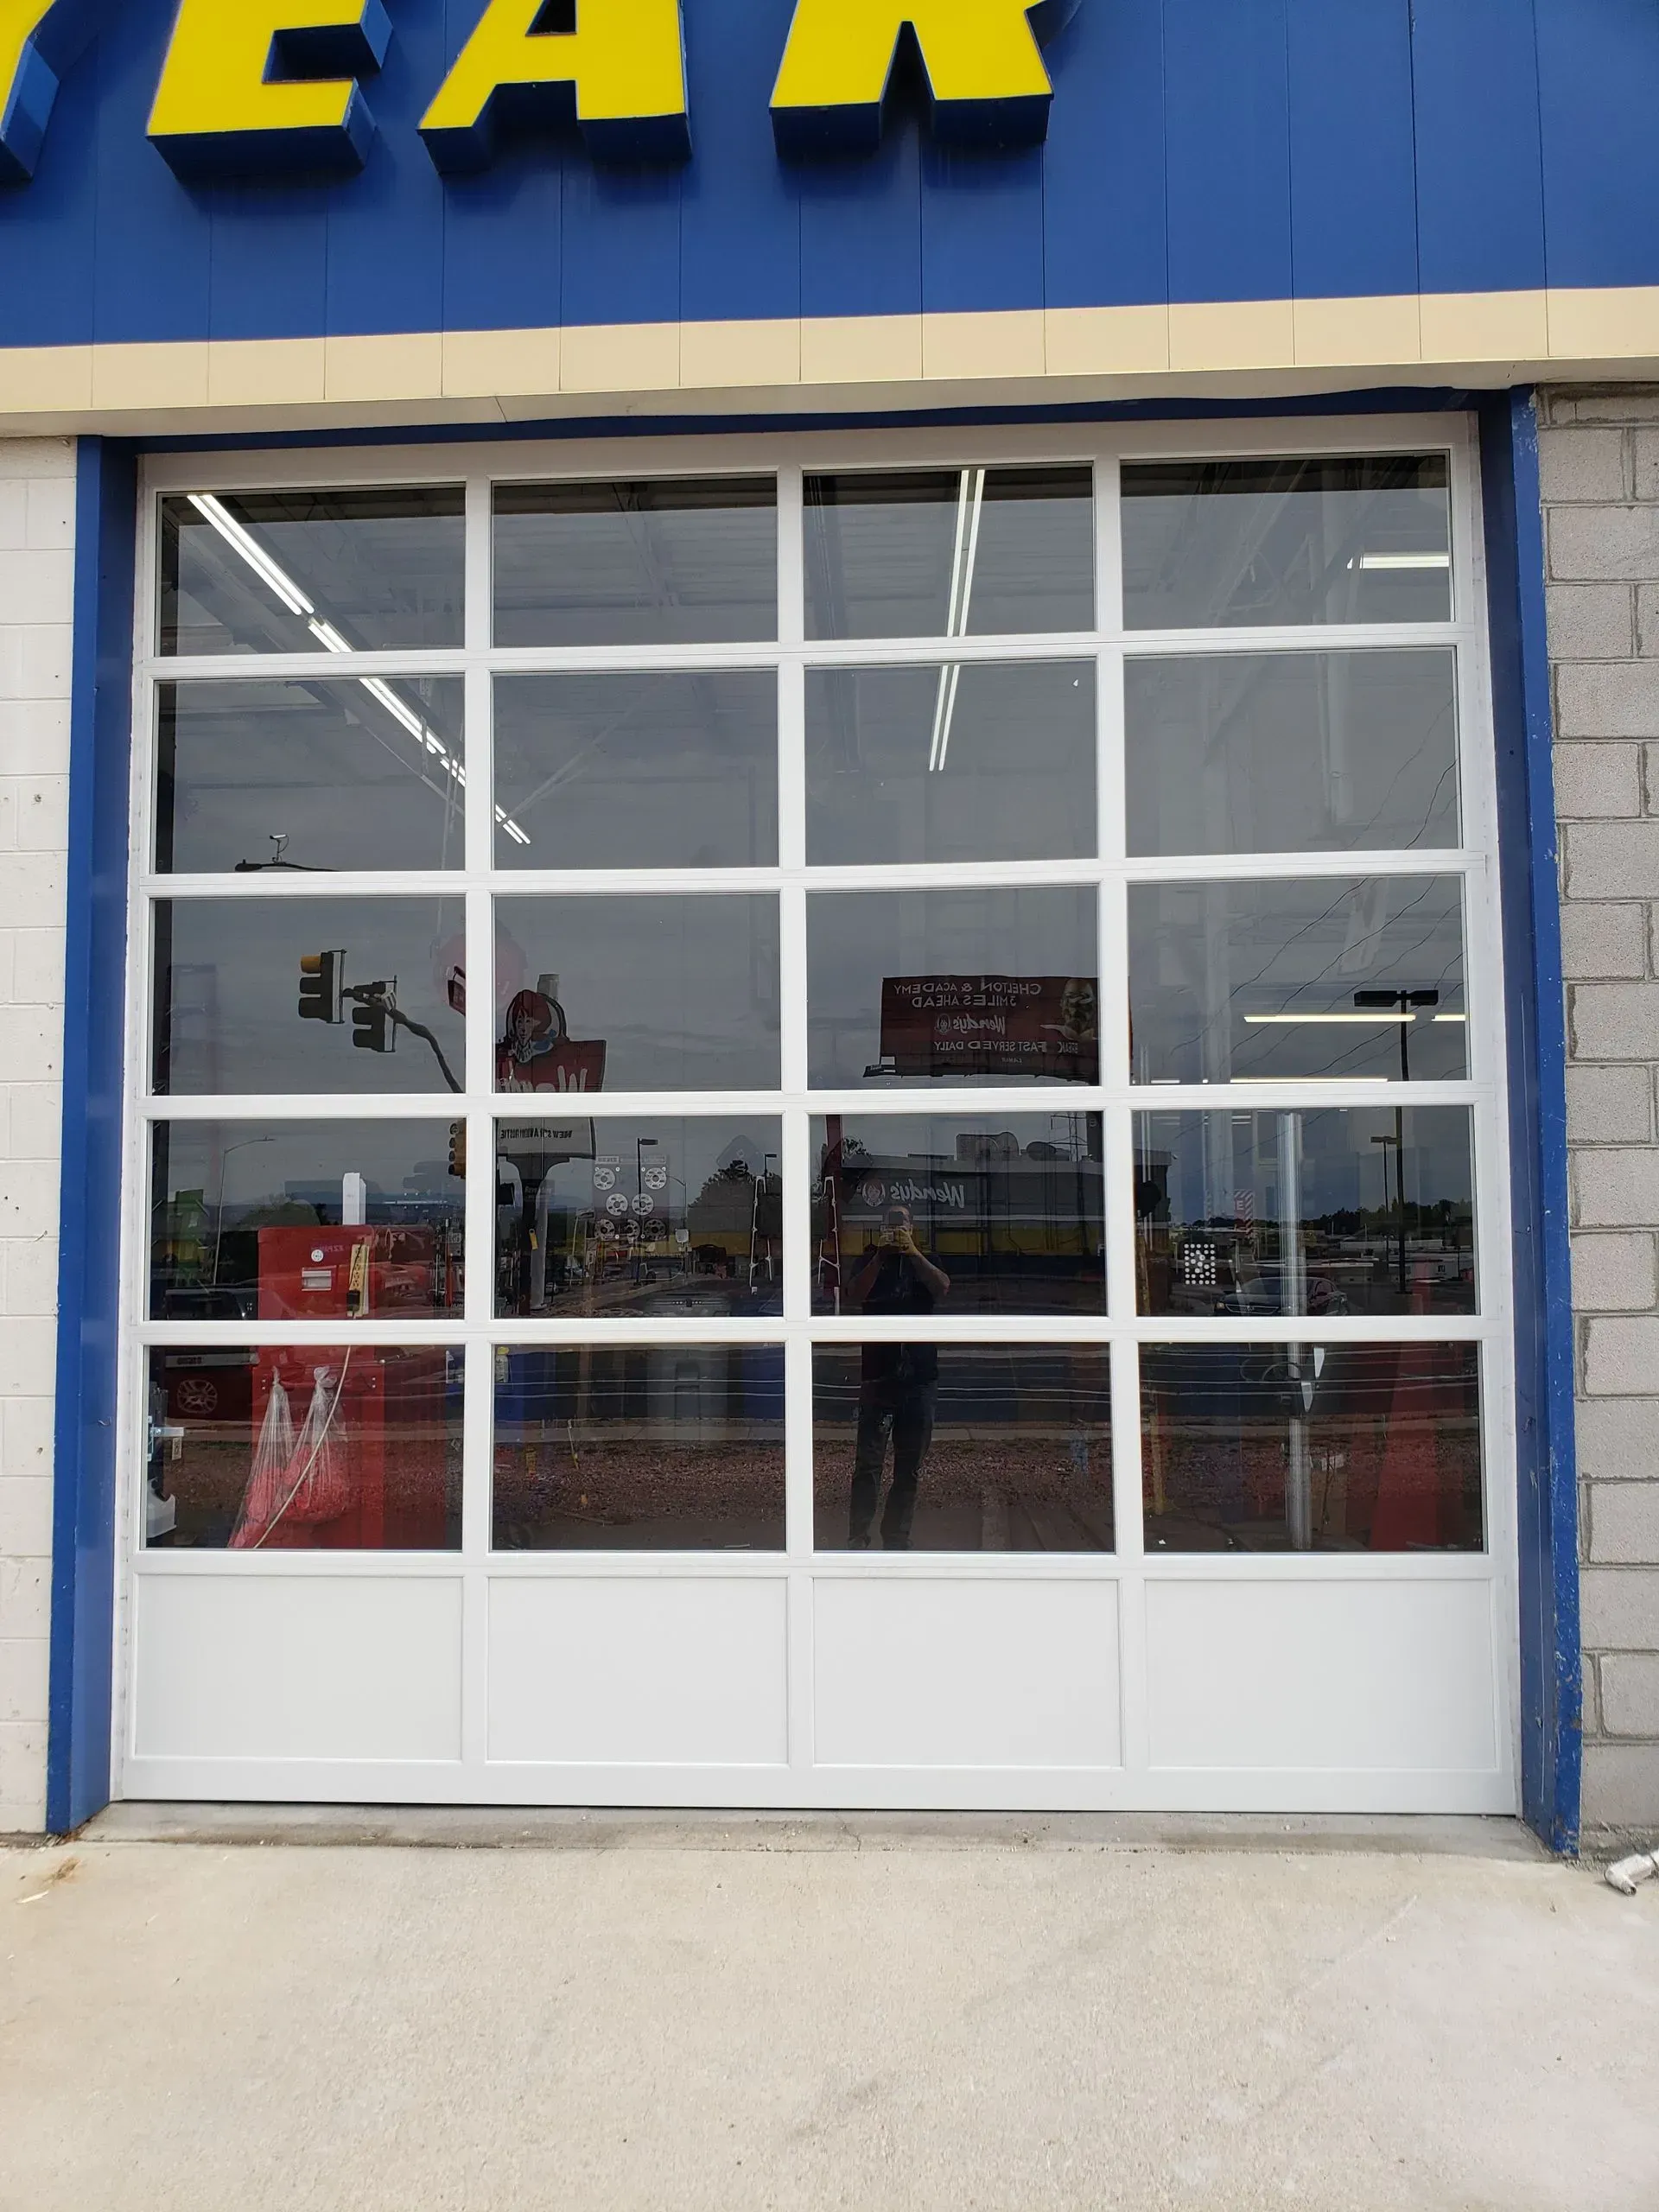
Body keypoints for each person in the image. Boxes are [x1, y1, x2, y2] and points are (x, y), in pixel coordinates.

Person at [847, 1203, 950, 1549]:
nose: (896, 1232)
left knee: (910, 1467)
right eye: (891, 1226)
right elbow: (854, 1294)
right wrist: (880, 1256)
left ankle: (897, 1536)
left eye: (901, 1225)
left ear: (912, 1227)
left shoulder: (926, 1258)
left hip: (920, 1376)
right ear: (880, 1228)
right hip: (878, 1376)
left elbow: (942, 1289)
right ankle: (858, 1536)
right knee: (868, 1465)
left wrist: (913, 1252)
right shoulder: (869, 1259)